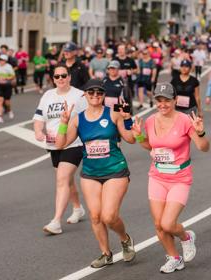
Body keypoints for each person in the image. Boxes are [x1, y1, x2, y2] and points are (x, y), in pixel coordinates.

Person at [55, 79, 136, 268]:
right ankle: (106, 253)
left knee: (109, 216)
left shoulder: (114, 114)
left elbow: (131, 139)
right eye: (91, 92)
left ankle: (124, 239)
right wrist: (63, 123)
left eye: (99, 93)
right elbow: (60, 144)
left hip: (115, 170)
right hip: (90, 173)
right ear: (85, 94)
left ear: (104, 95)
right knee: (95, 216)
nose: (95, 96)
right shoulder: (78, 119)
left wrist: (127, 119)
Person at [131, 82, 209, 274]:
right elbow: (150, 146)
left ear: (175, 100)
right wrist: (139, 137)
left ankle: (186, 237)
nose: (162, 104)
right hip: (157, 176)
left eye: (167, 100)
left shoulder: (184, 120)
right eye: (159, 100)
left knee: (168, 223)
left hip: (179, 178)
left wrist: (200, 131)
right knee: (159, 224)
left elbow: (203, 147)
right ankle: (174, 258)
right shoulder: (149, 121)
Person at [33, 64, 86, 235]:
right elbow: (39, 117)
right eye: (57, 77)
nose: (61, 79)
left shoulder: (79, 96)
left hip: (73, 143)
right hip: (53, 144)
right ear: (53, 79)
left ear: (69, 77)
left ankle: (56, 221)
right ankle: (78, 208)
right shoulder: (48, 95)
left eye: (64, 76)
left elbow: (89, 118)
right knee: (67, 181)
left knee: (62, 179)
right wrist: (37, 131)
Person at [0, 54, 15, 123]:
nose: (1, 61)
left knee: (7, 102)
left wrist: (6, 78)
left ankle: (9, 110)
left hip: (7, 86)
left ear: (5, 61)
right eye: (0, 60)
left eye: (2, 60)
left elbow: (13, 76)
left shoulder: (9, 67)